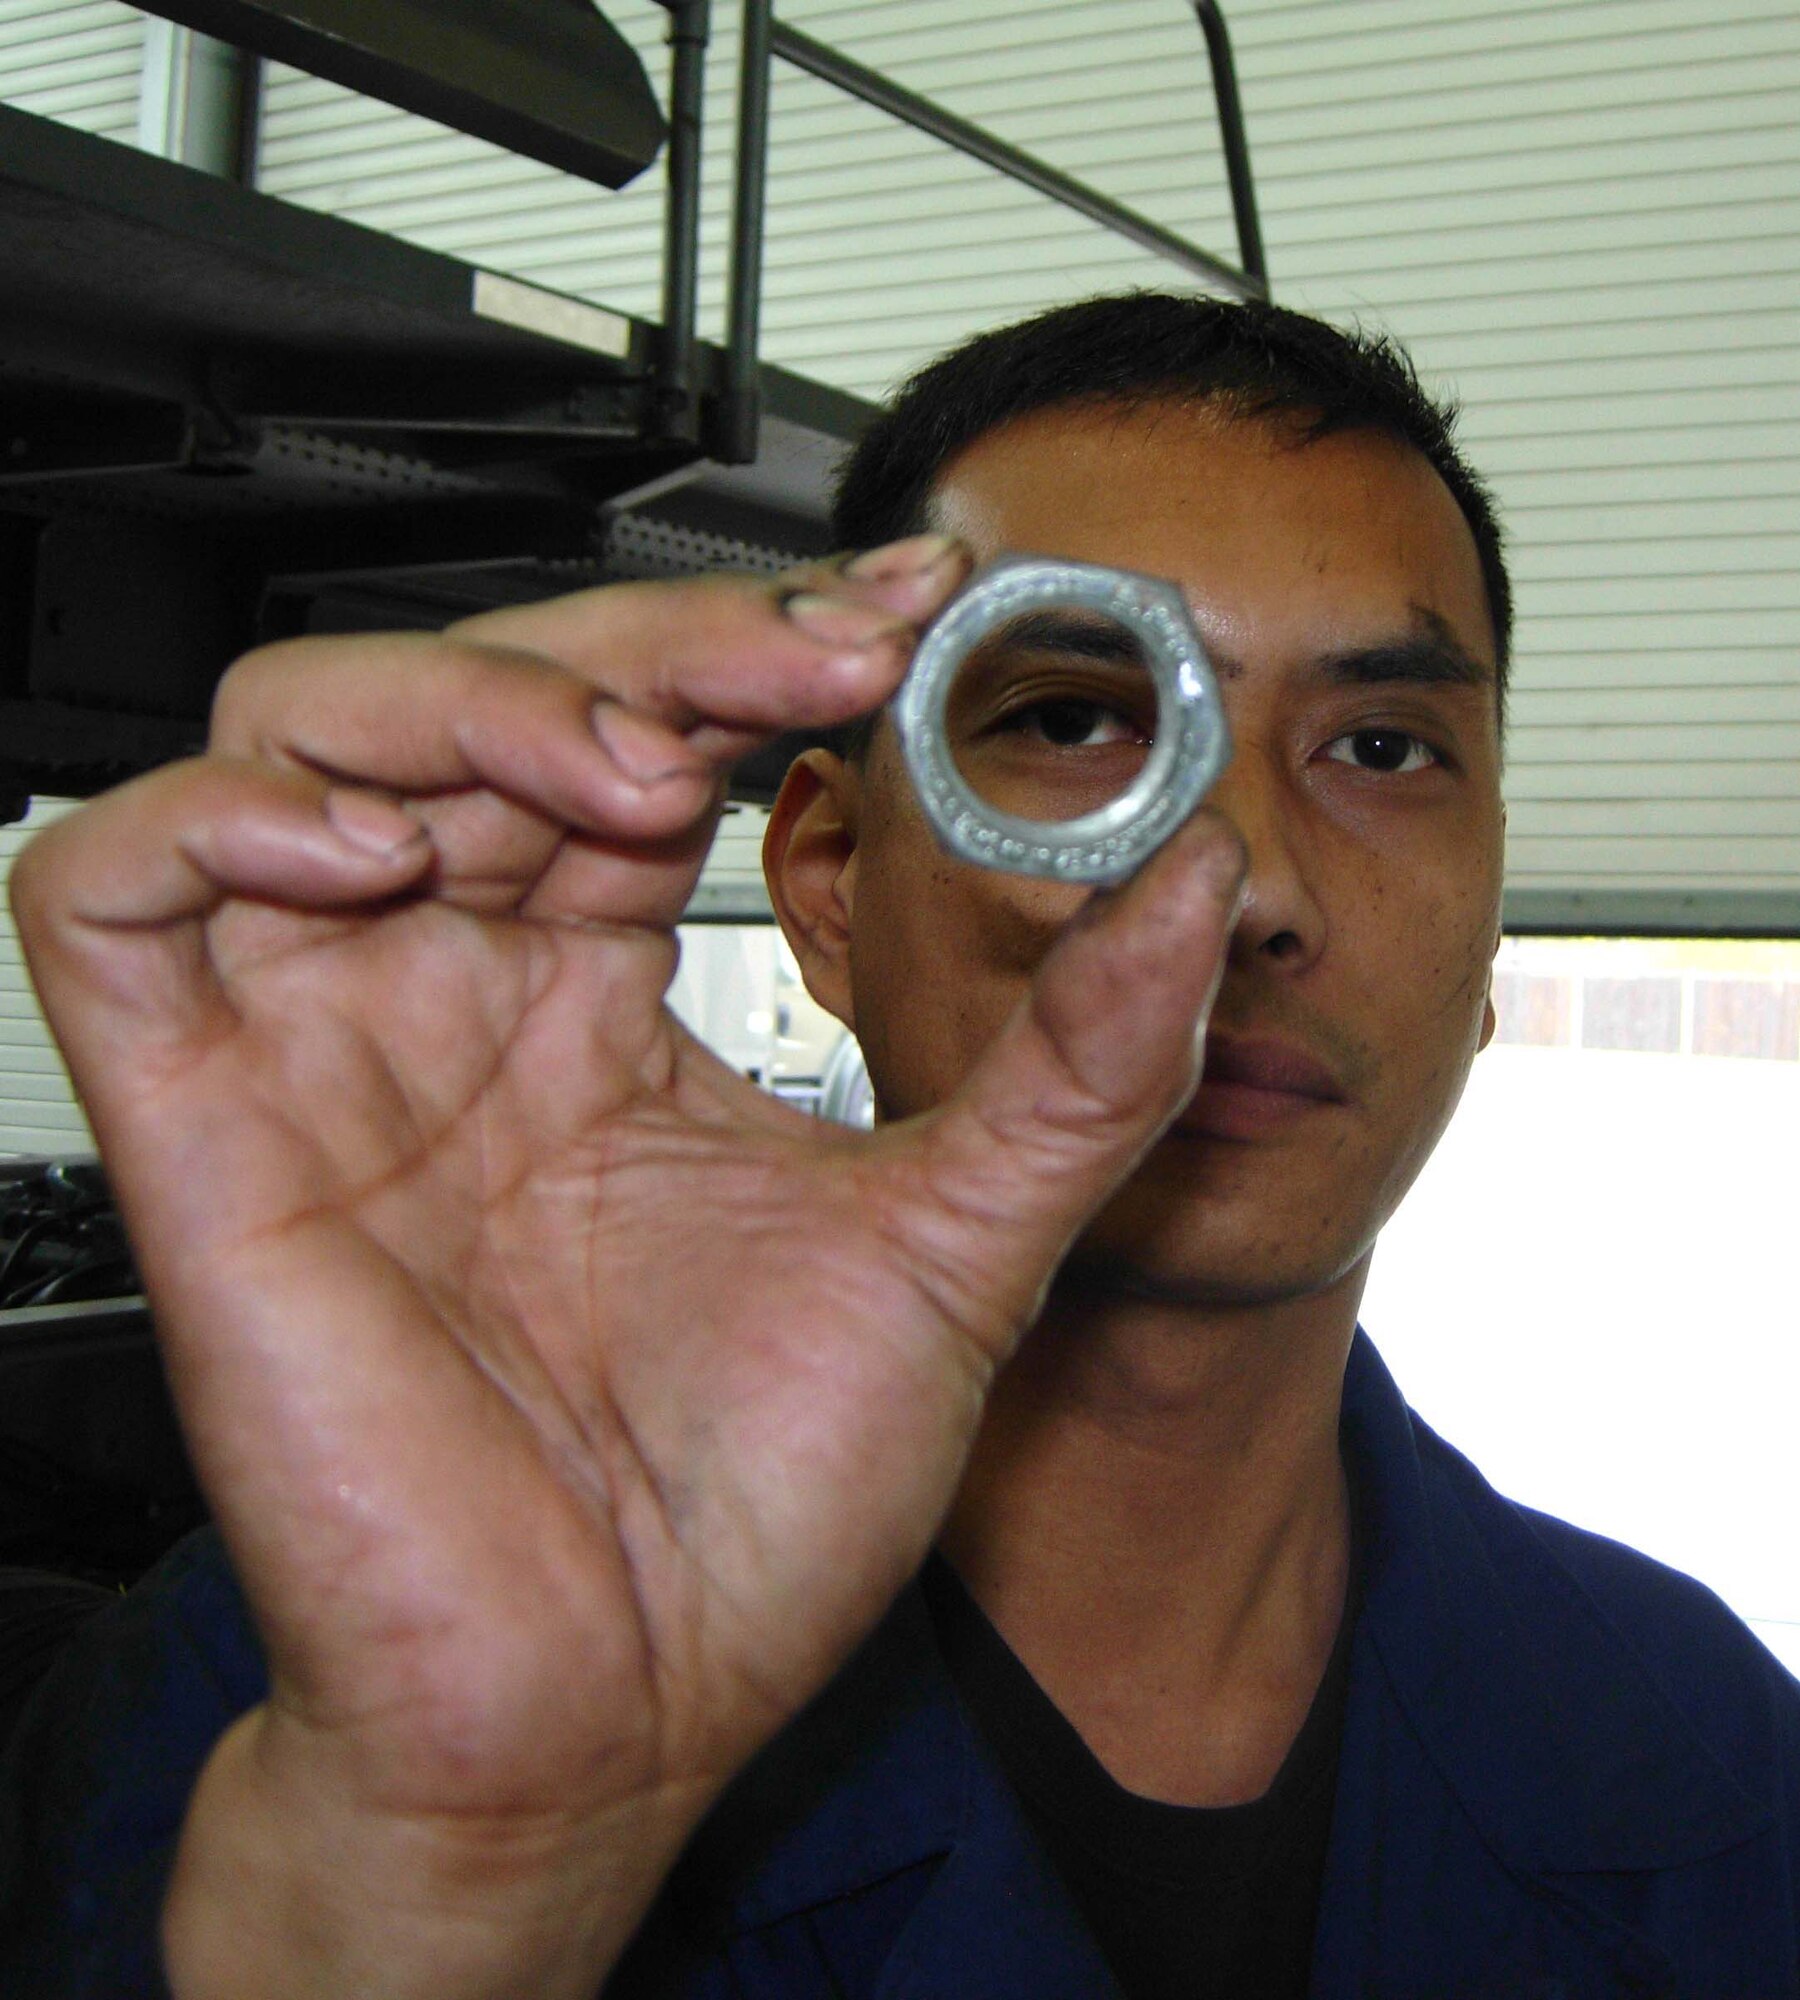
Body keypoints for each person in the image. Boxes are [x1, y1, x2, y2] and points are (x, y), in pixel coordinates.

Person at [2, 293, 1796, 2000]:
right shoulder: (300, 1707)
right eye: (1075, 722)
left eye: (1386, 746)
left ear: (1488, 945)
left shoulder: (1720, 1765)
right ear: (829, 880)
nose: (1236, 883)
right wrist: (422, 1890)